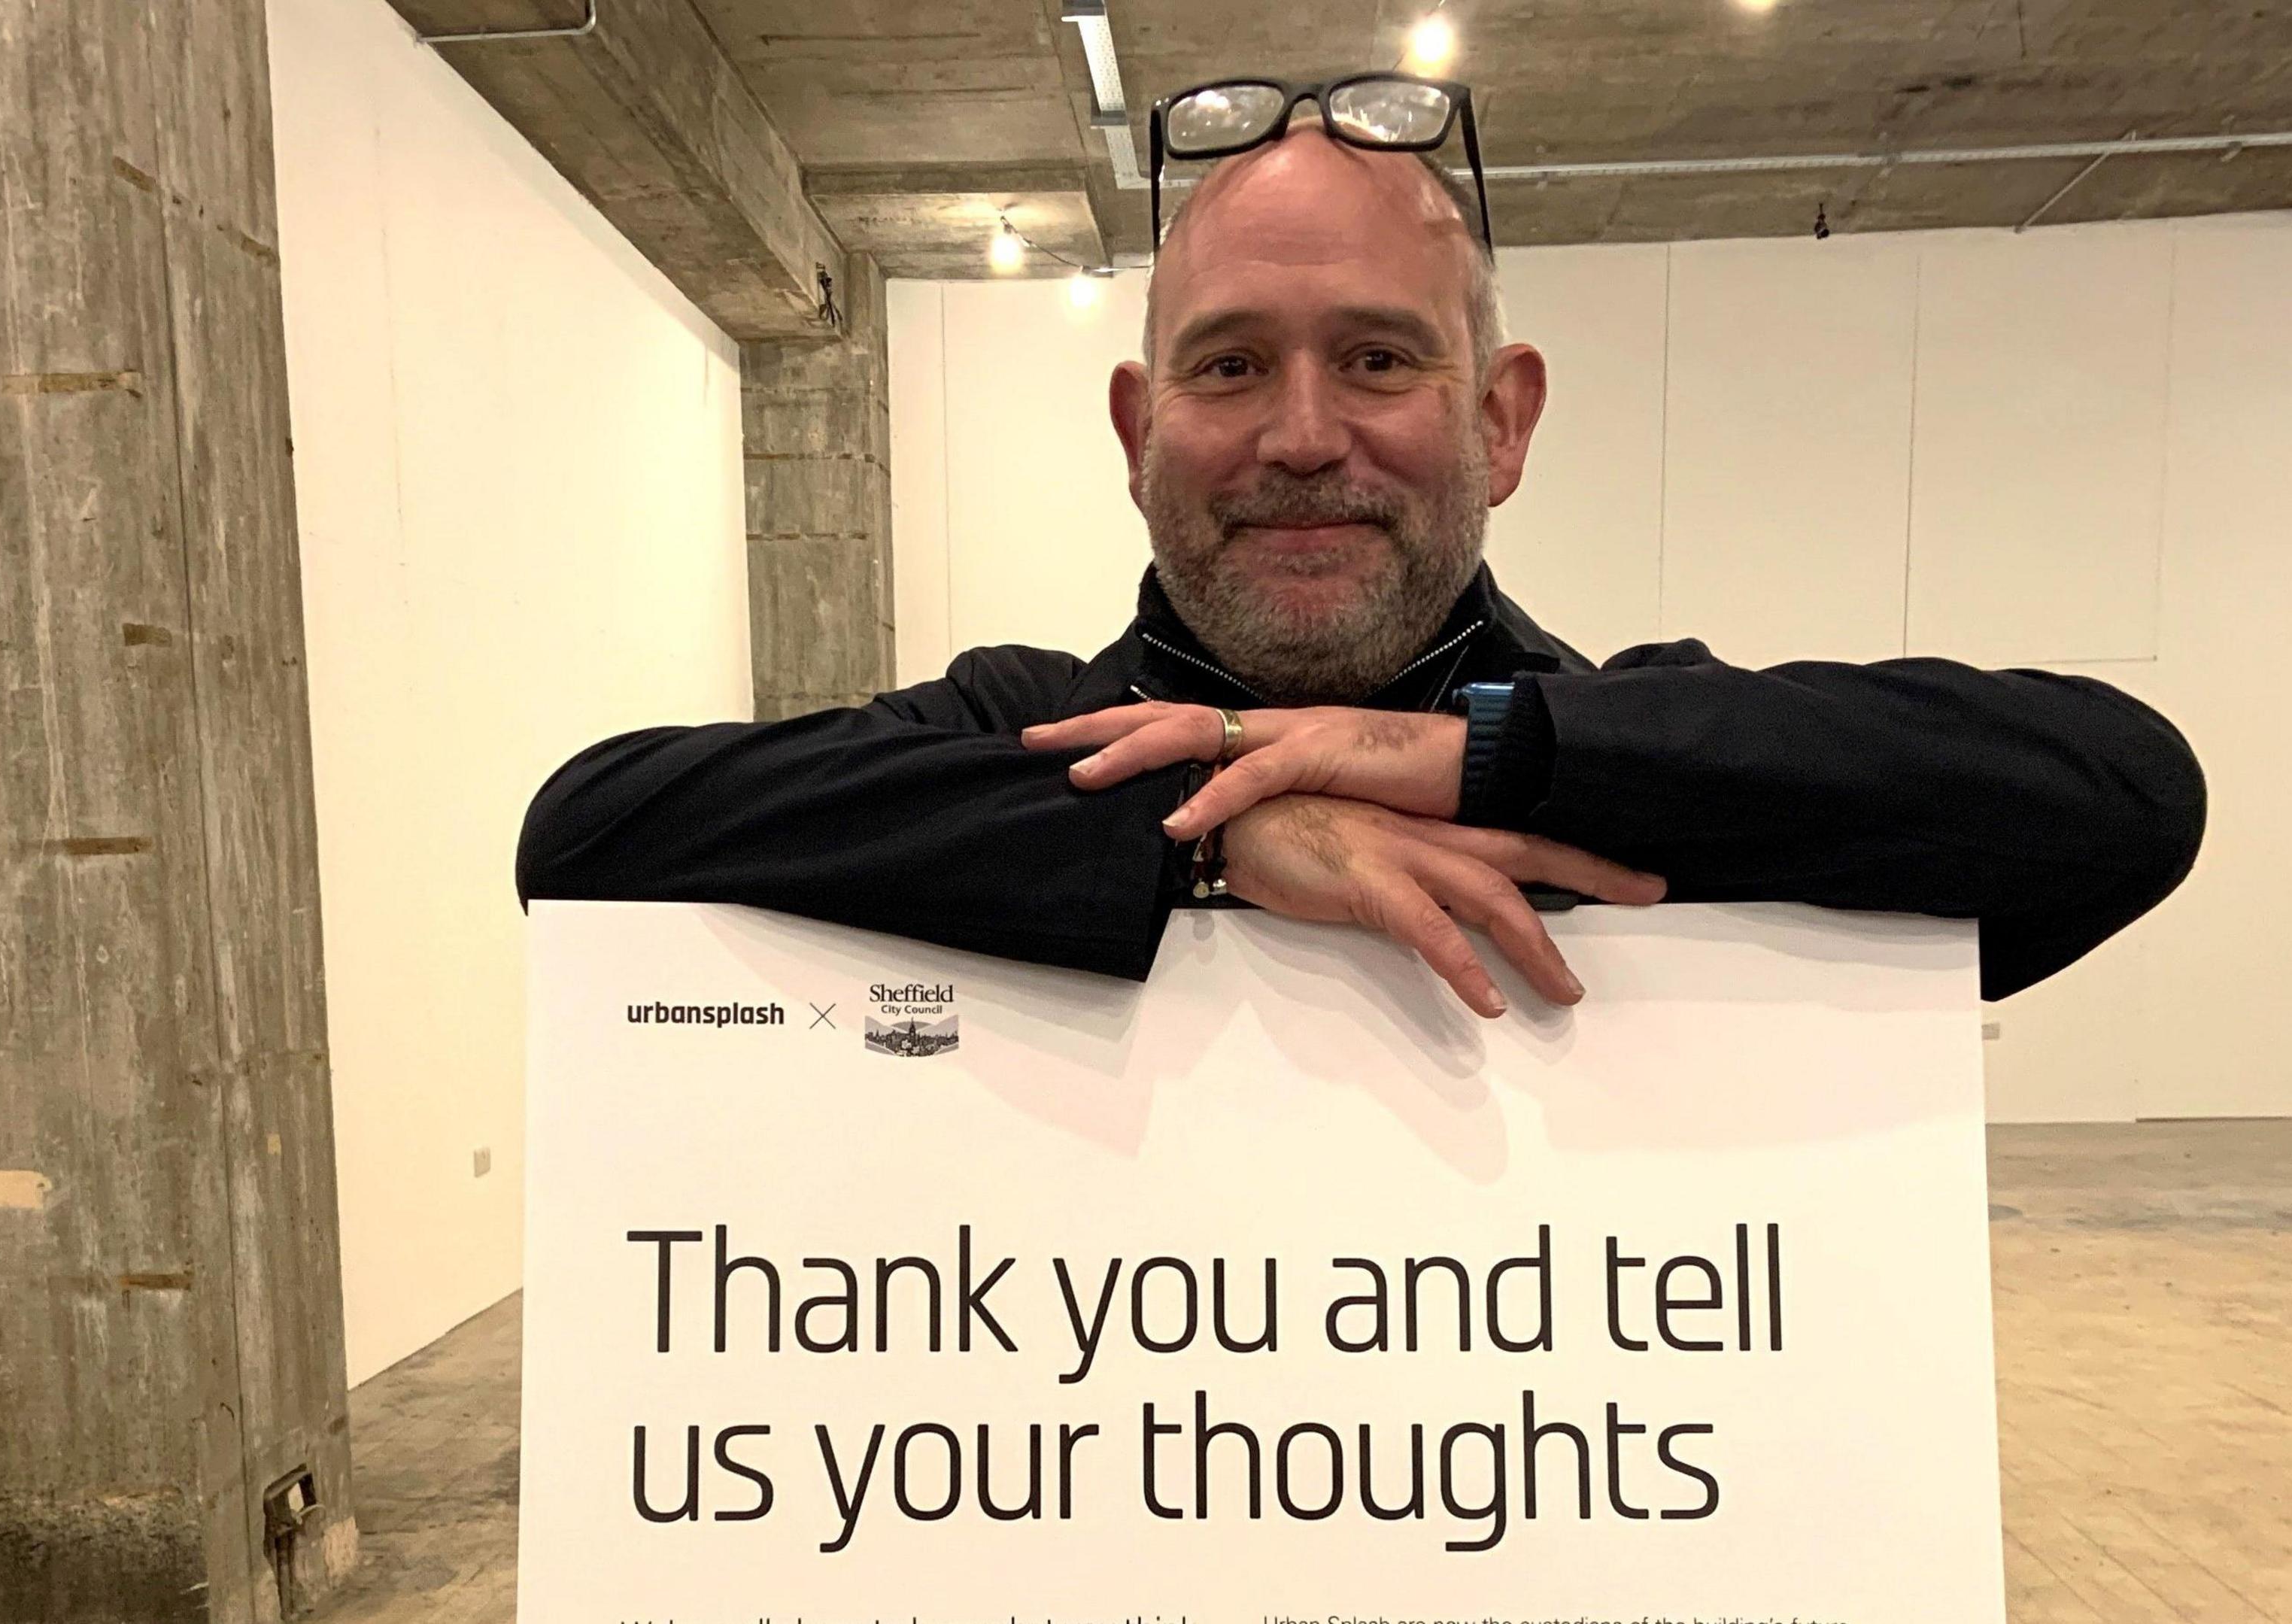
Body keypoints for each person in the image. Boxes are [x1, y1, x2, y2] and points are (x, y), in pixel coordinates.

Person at [516, 114, 2205, 1018]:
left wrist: (1477, 761)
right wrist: (1214, 835)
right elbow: (587, 832)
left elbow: (2126, 799)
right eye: (1231, 365)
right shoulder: (1019, 736)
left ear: (1504, 421)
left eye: (1382, 363)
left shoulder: (1647, 765)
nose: (1305, 435)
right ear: (1138, 429)